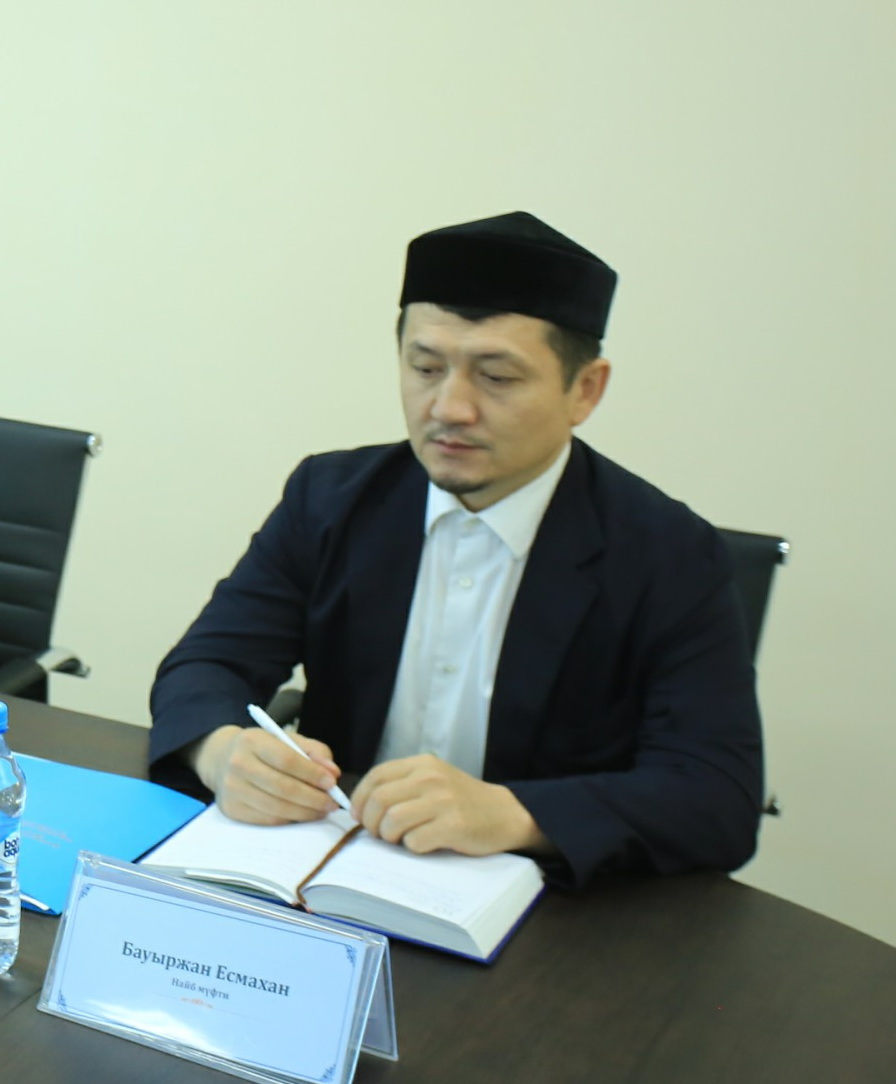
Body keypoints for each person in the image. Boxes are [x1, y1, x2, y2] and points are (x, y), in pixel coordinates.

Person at [149, 212, 762, 885]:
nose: (449, 408)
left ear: (584, 390)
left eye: (496, 377)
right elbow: (207, 664)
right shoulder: (330, 498)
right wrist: (224, 752)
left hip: (544, 906)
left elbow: (716, 795)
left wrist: (513, 812)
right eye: (426, 367)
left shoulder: (669, 553)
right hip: (334, 873)